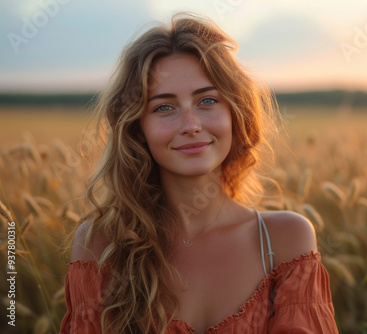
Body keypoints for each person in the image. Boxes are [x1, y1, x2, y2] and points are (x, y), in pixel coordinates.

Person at [60, 12, 339, 334]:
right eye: (164, 107)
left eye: (207, 100)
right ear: (138, 128)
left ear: (236, 114)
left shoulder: (284, 240)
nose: (191, 125)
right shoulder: (101, 242)